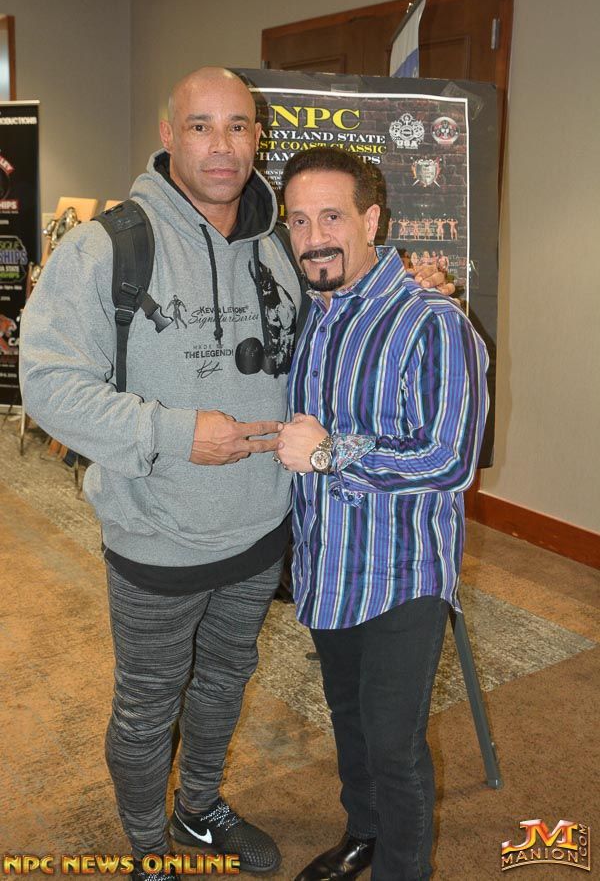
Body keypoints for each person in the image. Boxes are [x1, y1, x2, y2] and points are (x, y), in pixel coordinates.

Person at [20, 67, 451, 880]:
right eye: (200, 126)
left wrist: (416, 286)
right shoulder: (107, 247)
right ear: (168, 134)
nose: (221, 145)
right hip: (157, 536)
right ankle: (149, 849)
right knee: (147, 708)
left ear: (258, 136)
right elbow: (47, 385)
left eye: (238, 126)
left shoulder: (283, 246)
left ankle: (200, 809)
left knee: (224, 683)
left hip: (260, 531)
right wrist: (177, 434)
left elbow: (346, 301)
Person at [275, 147, 489, 881]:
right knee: (350, 722)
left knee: (395, 746)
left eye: (332, 217)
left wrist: (330, 453)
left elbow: (450, 460)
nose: (314, 238)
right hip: (326, 566)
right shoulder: (315, 315)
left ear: (372, 221)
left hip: (401, 575)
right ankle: (362, 833)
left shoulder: (434, 322)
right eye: (299, 221)